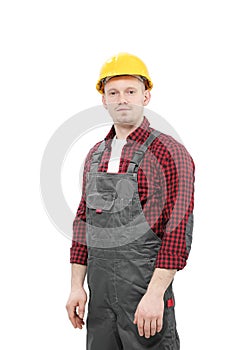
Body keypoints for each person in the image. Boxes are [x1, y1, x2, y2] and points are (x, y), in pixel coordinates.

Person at [66, 52, 195, 349]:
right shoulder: (95, 154)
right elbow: (83, 222)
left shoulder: (169, 153)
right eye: (113, 92)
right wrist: (76, 286)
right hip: (98, 298)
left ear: (145, 96)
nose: (122, 99)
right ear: (104, 100)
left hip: (143, 296)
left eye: (130, 91)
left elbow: (177, 233)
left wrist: (155, 295)